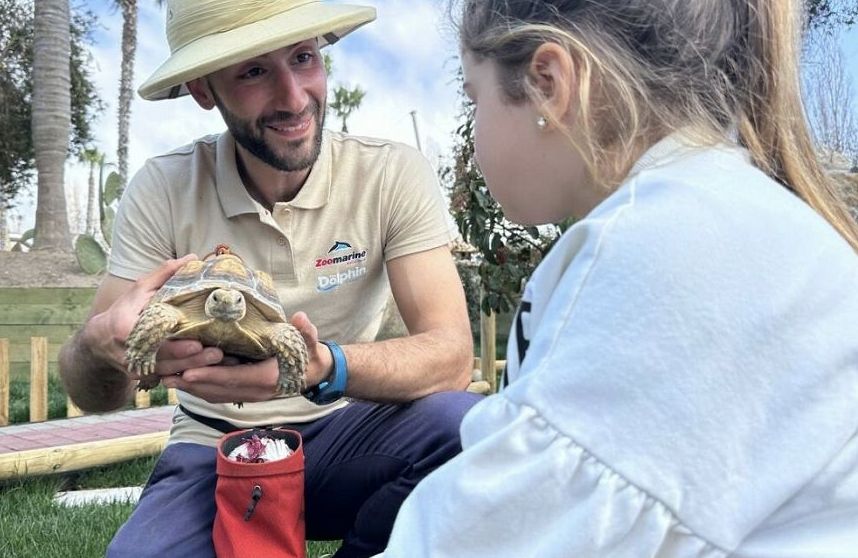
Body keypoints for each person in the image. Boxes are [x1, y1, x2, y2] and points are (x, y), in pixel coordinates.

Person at [377, 1, 858, 556]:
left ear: (548, 85)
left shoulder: (668, 245)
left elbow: (492, 537)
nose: (474, 119)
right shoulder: (720, 214)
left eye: (473, 95)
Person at [58, 1, 482, 557]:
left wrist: (321, 367)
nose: (293, 96)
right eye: (254, 71)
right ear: (203, 89)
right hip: (212, 444)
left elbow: (451, 356)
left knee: (464, 427)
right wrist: (98, 345)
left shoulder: (390, 173)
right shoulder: (163, 188)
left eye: (304, 57)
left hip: (344, 428)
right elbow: (94, 394)